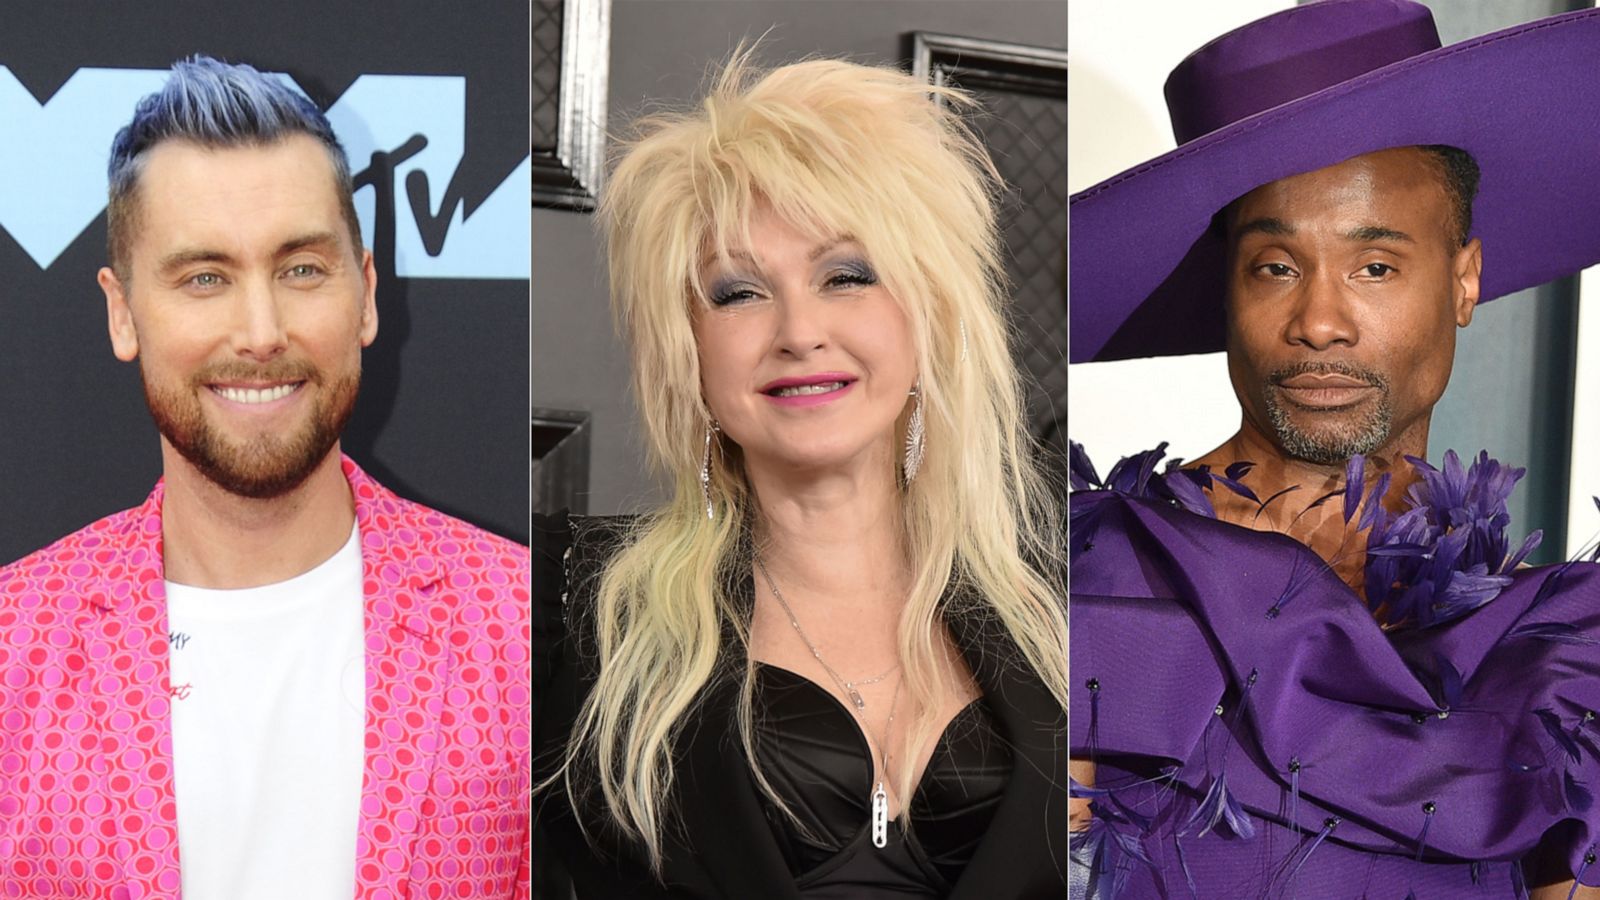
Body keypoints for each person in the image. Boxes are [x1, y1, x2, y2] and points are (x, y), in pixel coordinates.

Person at [1068, 2, 1600, 897]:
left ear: (1465, 279)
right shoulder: (1095, 578)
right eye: (1276, 266)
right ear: (1227, 289)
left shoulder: (1562, 649)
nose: (1318, 322)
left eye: (1375, 267)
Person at [532, 55, 1068, 899]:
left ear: (930, 312)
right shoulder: (576, 608)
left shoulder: (1060, 610)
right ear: (686, 352)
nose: (800, 330)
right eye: (739, 293)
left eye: (846, 275)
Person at [0, 57, 531, 898]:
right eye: (205, 277)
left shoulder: (521, 627)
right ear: (122, 312)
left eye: (301, 270)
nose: (260, 331)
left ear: (364, 296)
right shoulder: (12, 648)